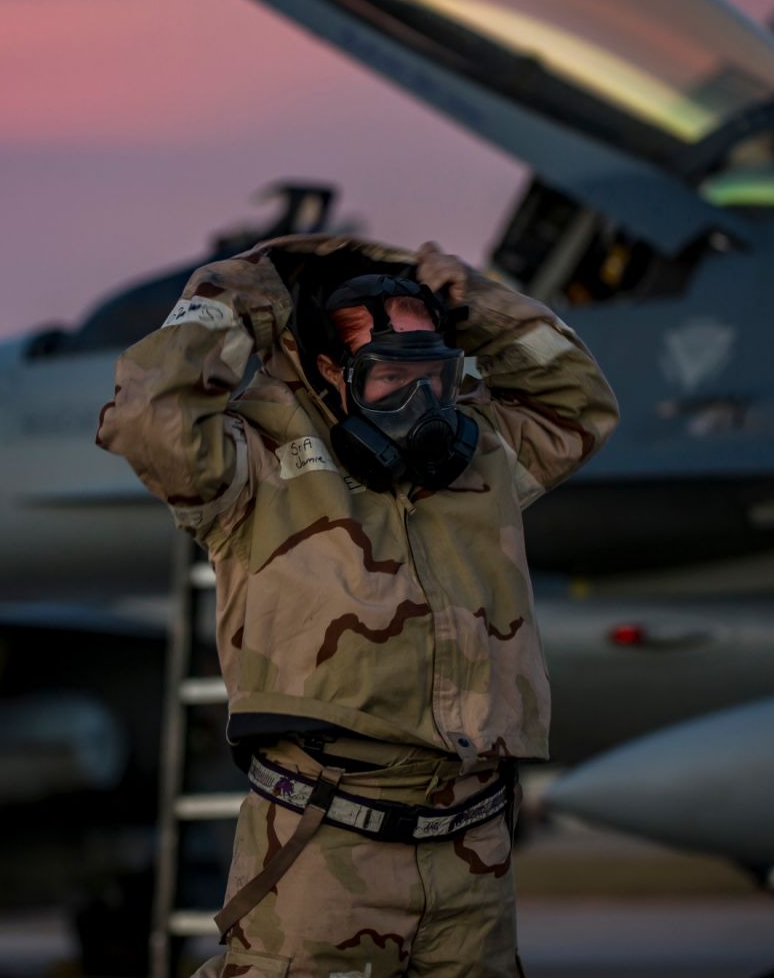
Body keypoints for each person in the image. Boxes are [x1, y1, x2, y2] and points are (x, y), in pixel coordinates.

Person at [96, 235, 618, 976]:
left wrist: (475, 299)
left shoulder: (480, 458)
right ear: (330, 371)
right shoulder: (257, 468)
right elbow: (150, 418)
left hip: (472, 860)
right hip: (324, 851)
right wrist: (237, 294)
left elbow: (580, 401)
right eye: (389, 379)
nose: (420, 402)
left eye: (433, 376)